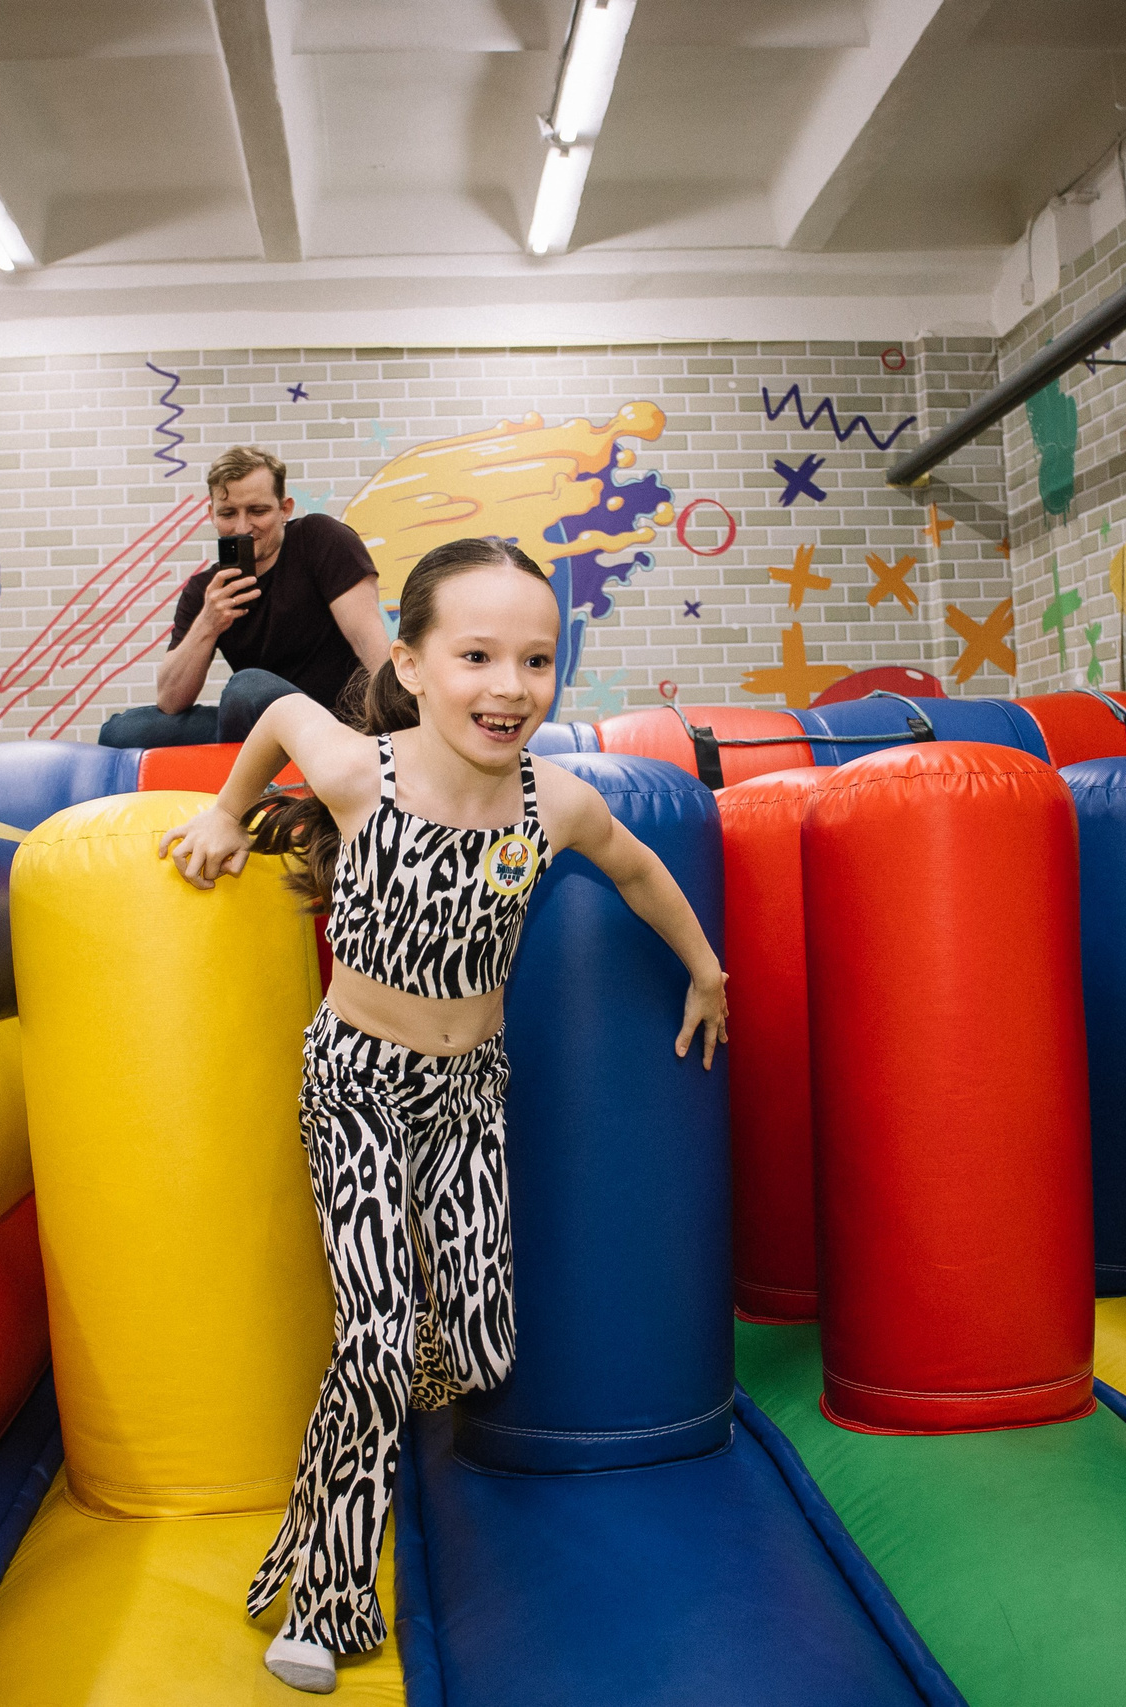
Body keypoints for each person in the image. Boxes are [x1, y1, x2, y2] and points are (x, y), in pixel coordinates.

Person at [156, 536, 727, 1694]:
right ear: (410, 665)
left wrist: (706, 969)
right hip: (359, 1084)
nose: (508, 686)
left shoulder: (551, 801)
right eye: (474, 655)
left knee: (473, 1346)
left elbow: (637, 870)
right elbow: (267, 714)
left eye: (534, 659)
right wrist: (223, 814)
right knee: (370, 1341)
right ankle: (323, 1592)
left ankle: (380, 1384)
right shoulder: (364, 769)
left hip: (468, 1096)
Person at [100, 446, 391, 748]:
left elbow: (369, 641)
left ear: (285, 508)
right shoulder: (206, 589)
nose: (242, 527)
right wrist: (208, 624)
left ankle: (238, 789)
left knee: (247, 687)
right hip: (256, 724)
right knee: (121, 732)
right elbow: (170, 701)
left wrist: (400, 727)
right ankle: (245, 766)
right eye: (228, 513)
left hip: (333, 720)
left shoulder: (319, 539)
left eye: (257, 511)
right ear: (211, 515)